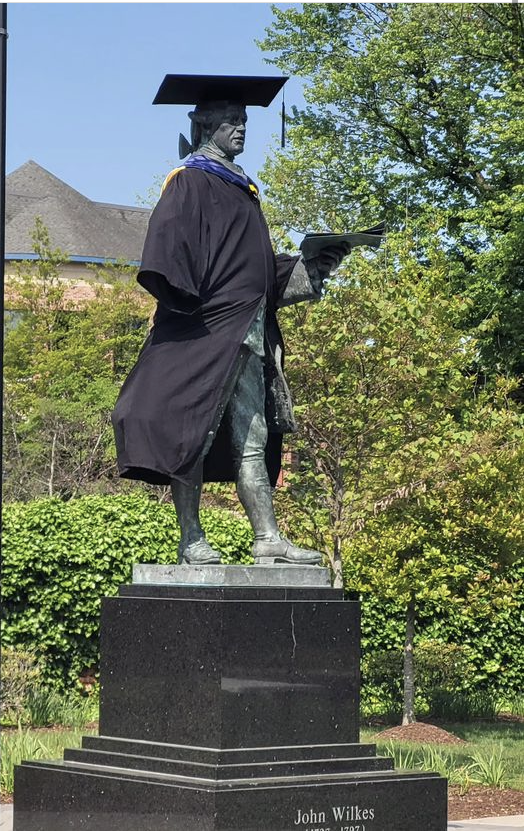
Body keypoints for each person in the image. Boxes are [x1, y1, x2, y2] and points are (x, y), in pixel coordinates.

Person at [112, 74, 350, 566]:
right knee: (191, 429)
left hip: (248, 330)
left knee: (254, 436)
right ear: (204, 125)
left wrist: (312, 265)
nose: (241, 128)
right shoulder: (191, 181)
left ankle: (268, 538)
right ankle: (191, 538)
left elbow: (254, 267)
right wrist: (185, 301)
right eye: (230, 121)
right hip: (204, 331)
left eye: (243, 121)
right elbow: (169, 247)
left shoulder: (243, 191)